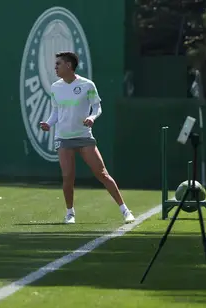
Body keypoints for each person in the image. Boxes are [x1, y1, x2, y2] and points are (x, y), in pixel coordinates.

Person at [39, 51, 135, 225]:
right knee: (68, 177)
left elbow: (97, 107)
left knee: (102, 173)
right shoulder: (55, 87)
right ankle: (70, 213)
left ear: (69, 65)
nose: (55, 67)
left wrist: (92, 117)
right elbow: (55, 111)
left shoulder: (87, 85)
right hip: (63, 138)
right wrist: (48, 123)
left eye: (58, 64)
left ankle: (125, 210)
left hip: (84, 136)